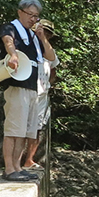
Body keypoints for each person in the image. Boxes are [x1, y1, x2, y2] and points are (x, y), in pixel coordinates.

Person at [0, 0, 57, 181]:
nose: (33, 19)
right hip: (17, 85)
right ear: (20, 12)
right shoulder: (11, 28)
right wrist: (13, 55)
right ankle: (9, 168)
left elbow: (51, 56)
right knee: (13, 130)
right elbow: (8, 41)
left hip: (34, 88)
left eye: (36, 16)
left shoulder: (34, 36)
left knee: (25, 131)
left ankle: (17, 166)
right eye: (30, 15)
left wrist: (42, 37)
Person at [23, 17, 59, 170]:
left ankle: (29, 160)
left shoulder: (49, 51)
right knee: (21, 128)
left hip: (42, 95)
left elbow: (53, 70)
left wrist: (48, 85)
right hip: (26, 92)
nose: (45, 35)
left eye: (47, 33)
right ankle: (16, 162)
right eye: (43, 32)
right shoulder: (27, 47)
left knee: (37, 129)